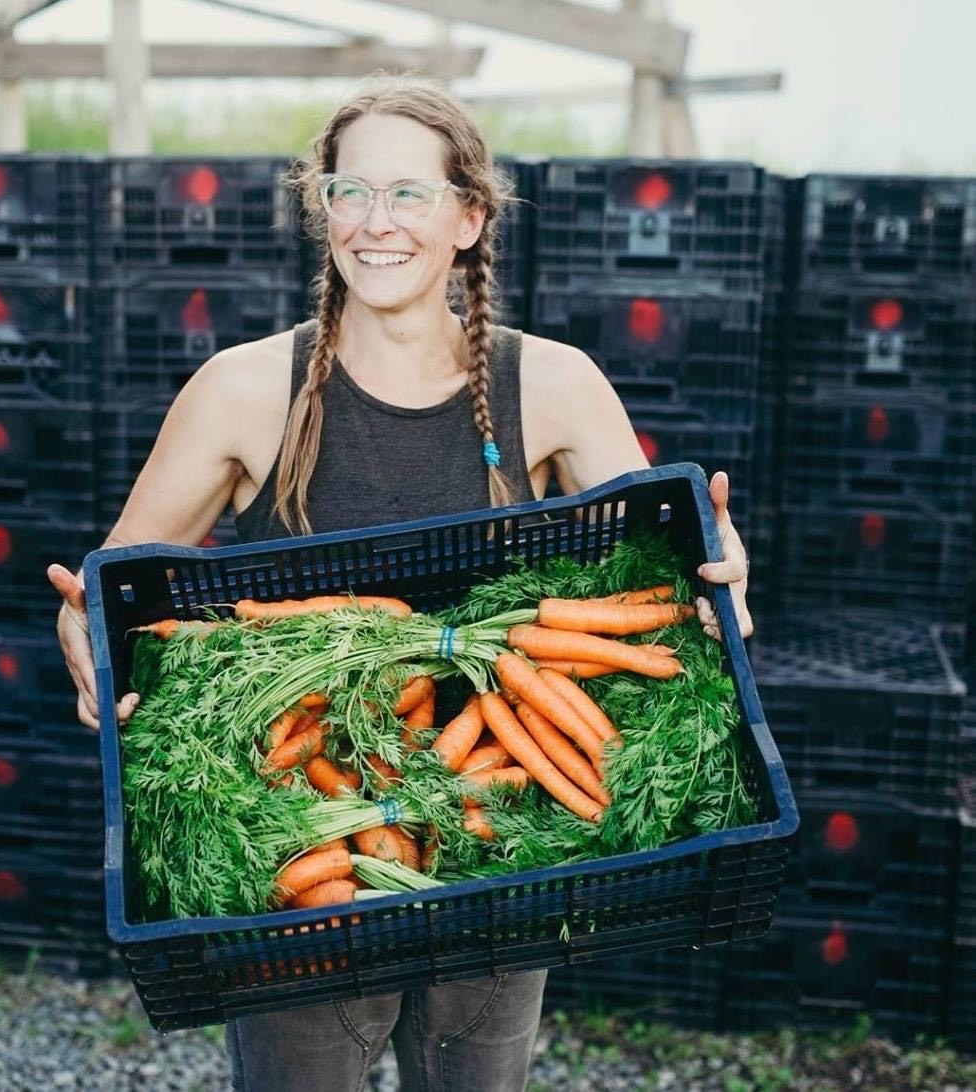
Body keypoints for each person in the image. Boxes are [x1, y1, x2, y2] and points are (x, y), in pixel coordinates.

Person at [48, 75, 752, 1092]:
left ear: (469, 217)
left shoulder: (551, 384)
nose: (376, 224)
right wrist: (84, 638)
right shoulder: (244, 391)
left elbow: (684, 588)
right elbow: (117, 591)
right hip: (299, 835)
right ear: (321, 209)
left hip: (499, 832)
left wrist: (727, 579)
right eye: (351, 193)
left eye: (409, 195)